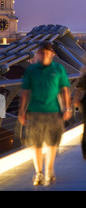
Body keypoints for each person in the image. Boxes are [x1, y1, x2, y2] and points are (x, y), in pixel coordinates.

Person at [18, 41, 72, 186]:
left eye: (47, 53)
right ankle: (39, 173)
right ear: (38, 54)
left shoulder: (59, 68)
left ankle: (49, 169)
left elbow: (65, 90)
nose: (44, 55)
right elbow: (25, 92)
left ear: (52, 54)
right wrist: (21, 111)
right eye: (42, 53)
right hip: (34, 112)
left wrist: (67, 108)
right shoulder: (31, 70)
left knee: (52, 144)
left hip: (54, 111)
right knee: (36, 144)